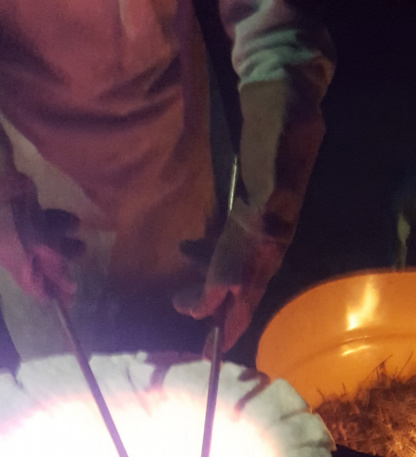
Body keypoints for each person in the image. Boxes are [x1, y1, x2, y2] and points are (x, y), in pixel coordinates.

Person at [0, 0, 335, 360]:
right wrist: (5, 205)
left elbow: (274, 33)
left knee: (188, 369)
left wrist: (264, 215)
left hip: (173, 167)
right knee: (60, 383)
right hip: (38, 187)